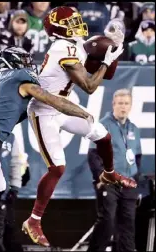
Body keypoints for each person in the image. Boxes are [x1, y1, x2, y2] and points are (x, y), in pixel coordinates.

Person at [0, 45, 97, 251]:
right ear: (13, 63)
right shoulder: (20, 80)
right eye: (23, 60)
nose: (29, 64)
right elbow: (52, 100)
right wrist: (83, 113)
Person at [22, 6, 136, 247]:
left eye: (76, 19)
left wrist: (113, 51)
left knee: (102, 134)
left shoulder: (75, 43)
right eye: (71, 22)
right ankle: (33, 220)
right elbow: (90, 86)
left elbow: (106, 75)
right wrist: (106, 60)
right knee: (57, 168)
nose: (77, 24)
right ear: (58, 28)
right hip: (45, 109)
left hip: (64, 103)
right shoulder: (62, 47)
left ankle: (109, 172)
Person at [87, 89, 142, 252]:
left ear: (130, 106)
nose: (123, 107)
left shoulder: (134, 129)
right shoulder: (103, 126)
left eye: (126, 104)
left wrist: (135, 180)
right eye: (120, 104)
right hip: (109, 182)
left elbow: (137, 157)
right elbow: (93, 155)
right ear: (113, 105)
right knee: (107, 222)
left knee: (128, 225)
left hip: (128, 183)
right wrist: (100, 178)